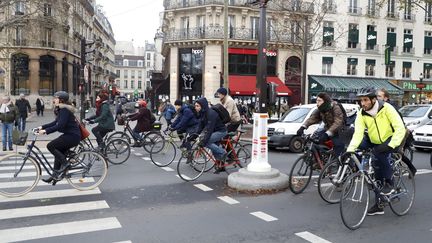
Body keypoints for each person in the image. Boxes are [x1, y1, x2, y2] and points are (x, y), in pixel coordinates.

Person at [343, 87, 406, 216]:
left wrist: (392, 145)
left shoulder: (387, 108)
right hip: (373, 139)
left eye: (365, 100)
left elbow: (400, 128)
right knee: (360, 152)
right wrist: (350, 150)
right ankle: (379, 204)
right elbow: (358, 133)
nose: (363, 103)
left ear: (373, 99)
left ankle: (389, 181)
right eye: (361, 100)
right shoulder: (362, 113)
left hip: (389, 138)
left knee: (379, 154)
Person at [37, 91, 81, 183]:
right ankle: (55, 175)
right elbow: (55, 123)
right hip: (70, 135)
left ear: (61, 100)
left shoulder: (64, 110)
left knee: (51, 146)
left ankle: (65, 163)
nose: (54, 100)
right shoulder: (62, 109)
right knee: (58, 152)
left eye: (56, 98)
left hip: (72, 136)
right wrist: (42, 127)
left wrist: (45, 131)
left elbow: (60, 125)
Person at [296, 92, 345, 156]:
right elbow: (313, 118)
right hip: (328, 129)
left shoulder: (335, 107)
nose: (317, 102)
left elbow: (338, 122)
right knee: (315, 140)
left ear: (325, 101)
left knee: (338, 146)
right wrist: (303, 127)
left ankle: (337, 163)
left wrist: (327, 133)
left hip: (339, 131)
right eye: (317, 100)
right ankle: (319, 160)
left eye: (319, 101)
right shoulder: (320, 109)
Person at [195, 97, 227, 173]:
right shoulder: (202, 113)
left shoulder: (211, 113)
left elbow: (209, 129)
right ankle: (220, 165)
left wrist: (204, 141)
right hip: (214, 131)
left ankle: (223, 152)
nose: (196, 108)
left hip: (221, 131)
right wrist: (194, 135)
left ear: (203, 106)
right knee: (213, 149)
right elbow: (200, 126)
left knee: (207, 141)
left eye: (197, 106)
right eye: (195, 106)